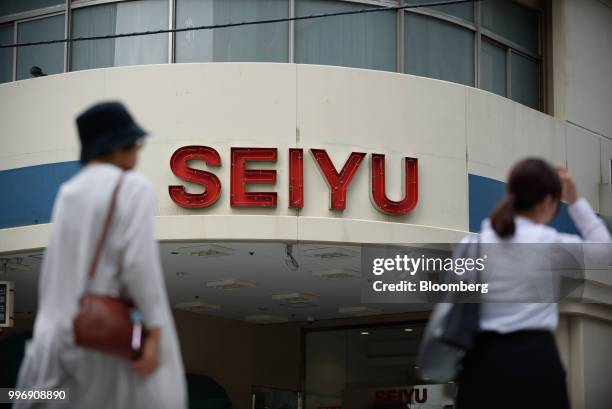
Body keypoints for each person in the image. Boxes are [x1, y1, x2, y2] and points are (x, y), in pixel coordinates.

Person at [15, 101, 187, 409]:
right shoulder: (133, 187)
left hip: (54, 343)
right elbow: (139, 267)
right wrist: (154, 333)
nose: (137, 152)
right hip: (105, 345)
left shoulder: (69, 193)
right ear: (117, 146)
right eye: (135, 143)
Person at [455, 158, 611, 409]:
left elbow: (457, 299)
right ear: (548, 201)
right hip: (535, 361)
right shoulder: (550, 244)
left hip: (482, 364)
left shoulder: (471, 245)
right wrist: (574, 200)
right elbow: (605, 251)